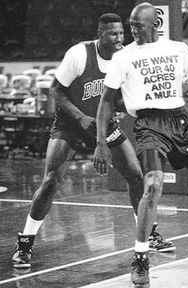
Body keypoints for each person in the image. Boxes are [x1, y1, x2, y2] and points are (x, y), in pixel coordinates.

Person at [12, 13, 173, 269]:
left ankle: (149, 234)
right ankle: (25, 243)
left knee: (135, 176)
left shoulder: (124, 58)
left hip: (103, 125)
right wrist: (79, 116)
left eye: (122, 33)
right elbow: (55, 89)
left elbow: (117, 99)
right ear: (100, 34)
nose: (120, 38)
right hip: (69, 124)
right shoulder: (79, 54)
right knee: (51, 181)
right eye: (113, 34)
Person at [93, 3, 188, 287]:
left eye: (138, 25)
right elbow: (106, 102)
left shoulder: (179, 50)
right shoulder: (123, 57)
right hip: (148, 126)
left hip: (180, 122)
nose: (132, 30)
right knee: (153, 186)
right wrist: (100, 141)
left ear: (154, 25)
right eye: (130, 25)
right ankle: (141, 257)